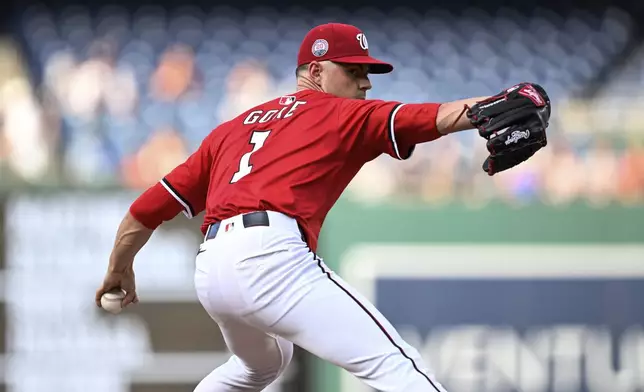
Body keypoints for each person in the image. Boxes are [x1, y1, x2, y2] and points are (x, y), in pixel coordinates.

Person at [95, 22, 546, 391]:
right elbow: (434, 117)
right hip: (271, 258)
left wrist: (120, 267)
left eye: (367, 71)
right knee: (396, 365)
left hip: (213, 271)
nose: (365, 82)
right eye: (352, 70)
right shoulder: (339, 112)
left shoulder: (233, 129)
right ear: (314, 71)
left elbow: (147, 208)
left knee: (259, 367)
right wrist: (502, 100)